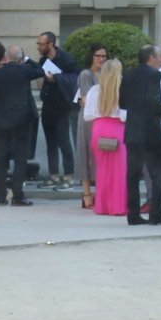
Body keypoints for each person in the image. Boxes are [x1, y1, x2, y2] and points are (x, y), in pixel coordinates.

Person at [0, 40, 45, 206]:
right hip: (21, 122)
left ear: (5, 57)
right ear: (19, 59)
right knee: (20, 159)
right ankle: (18, 195)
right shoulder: (24, 70)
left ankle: (1, 196)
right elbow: (40, 70)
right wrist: (27, 59)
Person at [121, 45, 161, 225]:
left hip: (132, 129)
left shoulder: (129, 74)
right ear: (151, 58)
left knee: (132, 174)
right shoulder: (154, 75)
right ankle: (156, 214)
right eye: (159, 56)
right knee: (157, 173)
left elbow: (122, 102)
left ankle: (133, 214)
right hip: (149, 130)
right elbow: (152, 101)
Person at [81, 57, 129, 215]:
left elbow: (87, 115)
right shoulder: (123, 90)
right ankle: (118, 206)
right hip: (117, 129)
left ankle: (102, 206)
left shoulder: (94, 90)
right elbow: (125, 115)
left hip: (99, 128)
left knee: (102, 170)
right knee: (119, 171)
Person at [34, 31, 79, 189]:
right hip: (48, 104)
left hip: (62, 106)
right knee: (51, 142)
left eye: (41, 44)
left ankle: (69, 176)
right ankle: (53, 175)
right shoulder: (43, 60)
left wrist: (56, 78)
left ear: (50, 44)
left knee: (63, 141)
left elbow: (74, 78)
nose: (38, 47)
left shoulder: (66, 59)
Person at [73, 43, 109, 207]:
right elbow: (87, 99)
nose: (101, 59)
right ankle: (86, 193)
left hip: (104, 118)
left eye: (104, 56)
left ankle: (100, 192)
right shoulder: (86, 74)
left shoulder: (107, 75)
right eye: (98, 56)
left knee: (101, 156)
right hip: (89, 119)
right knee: (86, 154)